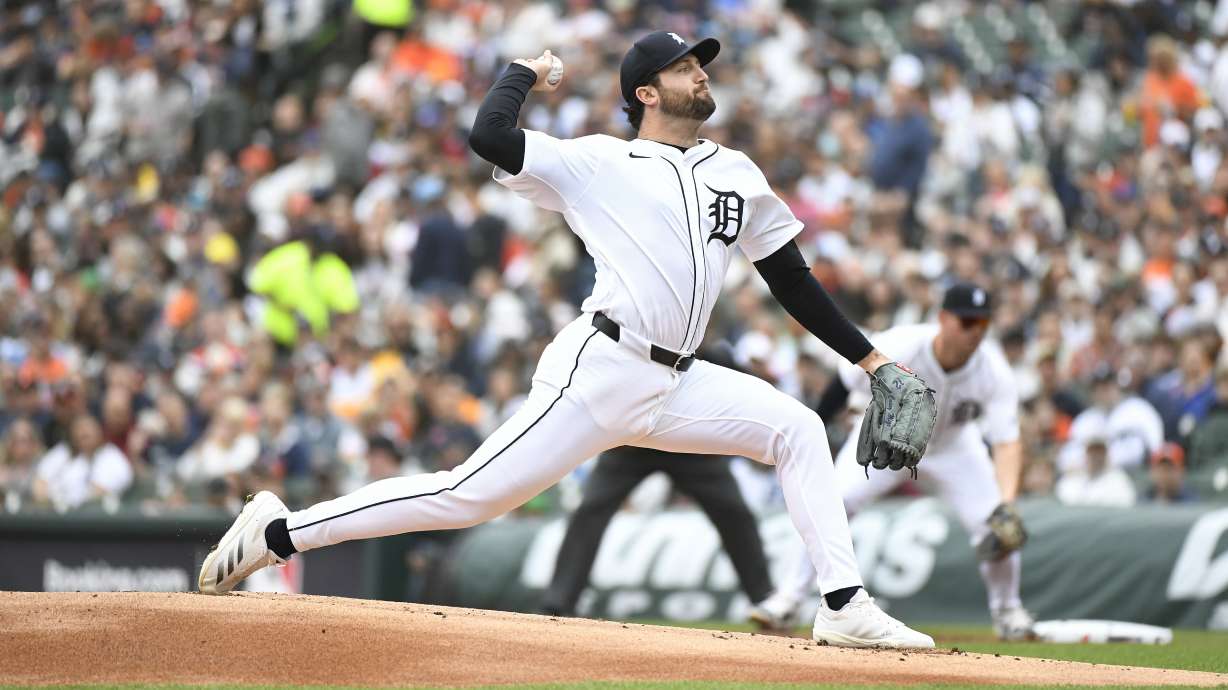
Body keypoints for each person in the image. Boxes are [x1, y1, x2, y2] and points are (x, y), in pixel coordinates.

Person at [198, 32, 937, 649]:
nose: (700, 72)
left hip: (680, 384)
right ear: (647, 91)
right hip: (601, 370)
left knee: (800, 429)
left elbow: (792, 278)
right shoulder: (597, 162)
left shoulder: (735, 173)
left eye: (699, 63)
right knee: (466, 496)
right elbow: (489, 134)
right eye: (684, 66)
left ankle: (842, 605)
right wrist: (524, 71)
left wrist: (870, 360)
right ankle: (282, 531)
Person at [749, 284, 1037, 641]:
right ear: (944, 319)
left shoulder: (993, 369)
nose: (975, 331)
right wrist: (816, 430)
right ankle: (789, 598)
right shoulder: (903, 343)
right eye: (967, 321)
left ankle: (1008, 611)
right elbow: (843, 381)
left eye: (982, 323)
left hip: (955, 447)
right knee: (835, 502)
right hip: (890, 439)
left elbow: (1006, 442)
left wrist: (1006, 501)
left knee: (996, 522)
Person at [540, 445, 777, 618]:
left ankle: (767, 602)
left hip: (690, 443)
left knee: (734, 513)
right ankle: (558, 603)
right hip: (634, 442)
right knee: (590, 510)